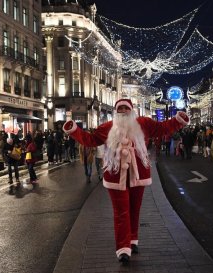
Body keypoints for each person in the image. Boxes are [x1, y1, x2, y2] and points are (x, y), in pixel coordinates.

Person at [63, 98, 189, 264]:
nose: (123, 111)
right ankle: (123, 249)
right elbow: (91, 140)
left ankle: (132, 240)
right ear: (116, 111)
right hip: (116, 175)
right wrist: (73, 130)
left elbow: (162, 128)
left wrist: (178, 120)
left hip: (138, 175)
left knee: (134, 209)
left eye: (126, 108)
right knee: (121, 211)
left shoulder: (143, 123)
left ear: (131, 110)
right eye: (120, 109)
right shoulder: (108, 127)